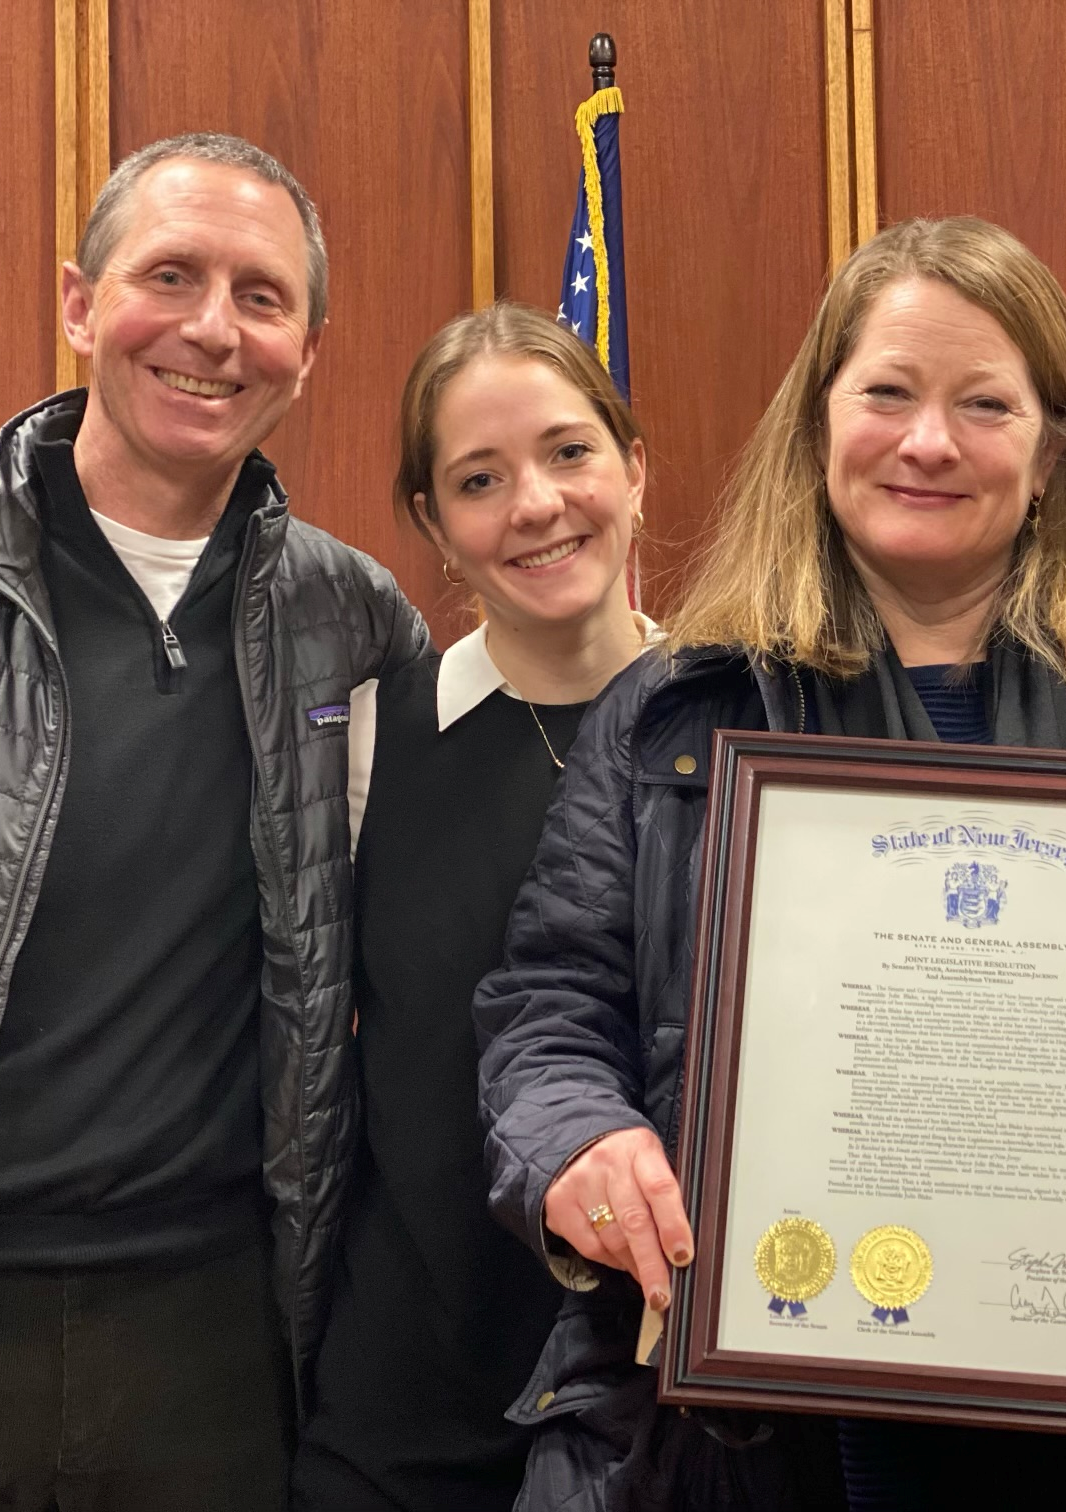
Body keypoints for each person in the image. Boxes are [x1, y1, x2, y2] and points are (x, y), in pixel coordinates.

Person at [474, 216, 1066, 1512]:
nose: (927, 441)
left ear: (1053, 450)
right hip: (732, 1443)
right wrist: (576, 1140)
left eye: (983, 403)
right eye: (890, 395)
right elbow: (548, 1007)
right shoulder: (675, 714)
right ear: (819, 425)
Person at [0, 132, 424, 1510]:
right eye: (169, 275)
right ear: (78, 303)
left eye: (262, 296)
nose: (211, 331)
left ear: (311, 350)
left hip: (215, 1354)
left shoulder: (355, 629)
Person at [293, 303, 653, 1511]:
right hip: (409, 1411)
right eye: (480, 479)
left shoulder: (741, 729)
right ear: (433, 526)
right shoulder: (368, 741)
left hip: (660, 1410)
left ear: (633, 465)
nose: (538, 506)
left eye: (568, 453)